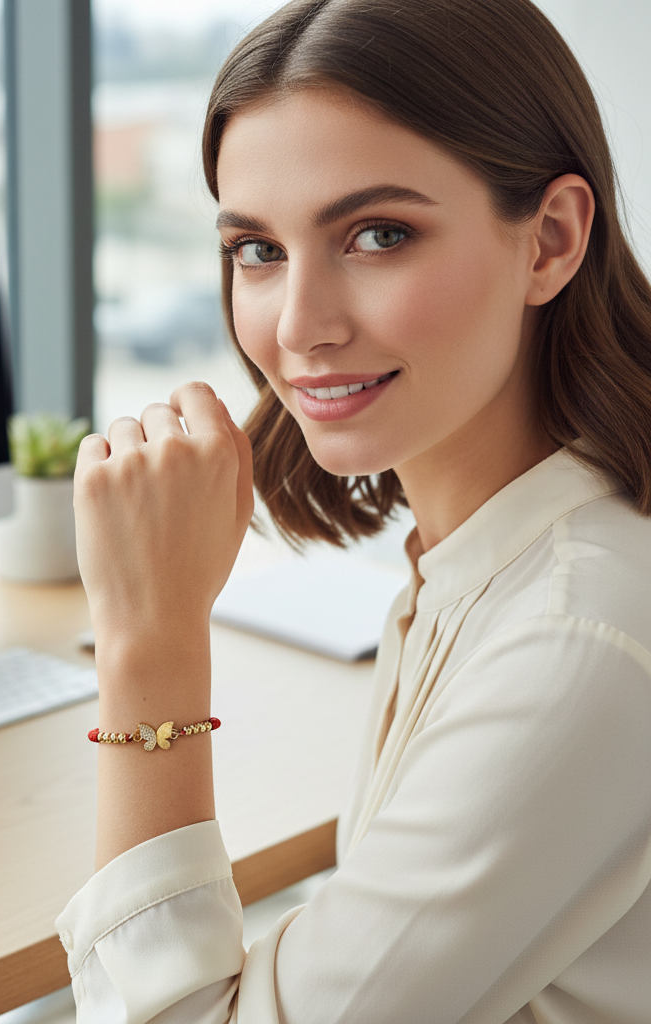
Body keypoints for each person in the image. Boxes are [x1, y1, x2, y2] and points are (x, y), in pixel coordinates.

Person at [57, 0, 651, 1020]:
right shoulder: (476, 551)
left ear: (549, 241)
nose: (298, 327)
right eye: (257, 250)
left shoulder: (579, 638)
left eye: (377, 234)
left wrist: (147, 649)